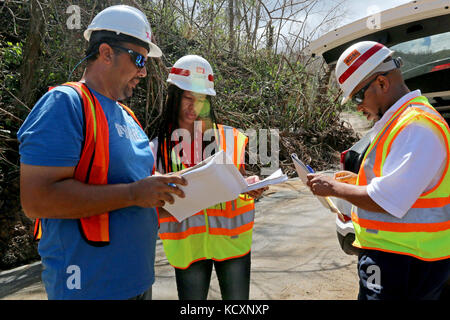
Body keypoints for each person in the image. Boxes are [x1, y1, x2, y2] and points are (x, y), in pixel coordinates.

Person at [17, 5, 187, 300]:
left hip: (138, 282)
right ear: (107, 53)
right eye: (138, 59)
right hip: (89, 288)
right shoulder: (65, 104)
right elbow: (36, 200)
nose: (143, 72)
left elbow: (142, 198)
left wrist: (198, 191)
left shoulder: (128, 117)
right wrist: (134, 193)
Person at [306, 41, 450, 300]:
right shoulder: (401, 123)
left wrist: (334, 187)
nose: (358, 108)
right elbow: (402, 185)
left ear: (382, 83)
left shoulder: (416, 126)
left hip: (405, 262)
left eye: (358, 98)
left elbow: (388, 198)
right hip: (400, 257)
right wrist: (354, 182)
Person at [150, 55, 267, 300]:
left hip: (232, 243)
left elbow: (241, 181)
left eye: (202, 100)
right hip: (187, 248)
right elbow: (151, 204)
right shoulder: (156, 149)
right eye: (188, 98)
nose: (195, 107)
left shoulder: (231, 138)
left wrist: (252, 186)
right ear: (174, 97)